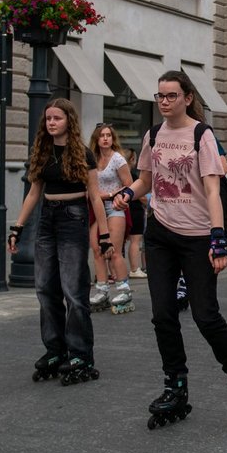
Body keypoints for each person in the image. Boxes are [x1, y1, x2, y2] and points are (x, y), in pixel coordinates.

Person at [113, 70, 227, 427]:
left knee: (205, 316)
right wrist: (128, 193)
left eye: (171, 95)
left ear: (187, 98)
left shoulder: (202, 134)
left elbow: (213, 191)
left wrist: (218, 239)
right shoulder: (153, 134)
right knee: (163, 315)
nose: (164, 101)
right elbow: (146, 181)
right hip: (160, 234)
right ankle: (176, 385)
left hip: (198, 237)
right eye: (160, 96)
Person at [7, 98, 111, 384]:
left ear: (69, 121)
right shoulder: (42, 151)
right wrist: (17, 228)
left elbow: (95, 196)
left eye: (57, 118)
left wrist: (104, 235)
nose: (51, 122)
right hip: (47, 220)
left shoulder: (83, 153)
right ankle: (55, 350)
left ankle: (81, 354)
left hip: (73, 218)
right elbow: (33, 193)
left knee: (73, 291)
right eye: (48, 118)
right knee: (45, 288)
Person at [88, 123, 134, 312]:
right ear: (96, 139)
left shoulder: (118, 159)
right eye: (102, 135)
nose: (105, 138)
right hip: (96, 208)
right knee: (97, 250)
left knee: (113, 250)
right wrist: (100, 195)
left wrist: (113, 196)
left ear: (112, 138)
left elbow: (129, 184)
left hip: (114, 207)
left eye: (108, 135)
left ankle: (124, 290)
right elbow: (88, 187)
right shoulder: (91, 159)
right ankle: (102, 290)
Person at [124, 149, 148, 279]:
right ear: (132, 159)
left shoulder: (120, 174)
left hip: (124, 209)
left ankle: (115, 272)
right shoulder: (133, 176)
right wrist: (147, 203)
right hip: (135, 210)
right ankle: (134, 268)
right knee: (135, 241)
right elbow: (141, 196)